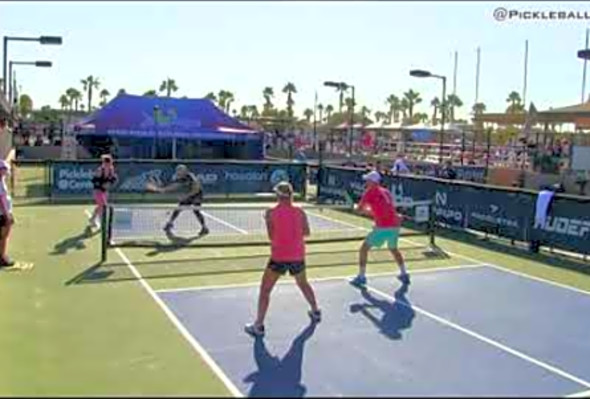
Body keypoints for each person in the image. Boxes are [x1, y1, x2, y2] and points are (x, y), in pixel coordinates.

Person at [244, 181, 321, 337]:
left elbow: (271, 237)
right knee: (303, 283)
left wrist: (268, 221)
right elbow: (306, 233)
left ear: (278, 196)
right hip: (298, 255)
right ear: (291, 195)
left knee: (265, 290)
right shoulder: (300, 212)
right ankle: (315, 311)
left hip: (279, 256)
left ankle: (258, 325)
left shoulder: (271, 213)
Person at [350, 170, 410, 287]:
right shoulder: (386, 192)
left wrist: (356, 207)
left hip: (383, 226)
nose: (366, 182)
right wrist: (369, 211)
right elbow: (384, 209)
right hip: (394, 224)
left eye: (367, 180)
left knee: (364, 249)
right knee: (393, 248)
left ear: (372, 181)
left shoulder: (369, 192)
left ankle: (361, 277)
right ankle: (404, 273)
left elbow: (359, 210)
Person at [151, 164, 209, 236]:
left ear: (185, 171)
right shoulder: (179, 178)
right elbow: (174, 186)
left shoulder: (191, 177)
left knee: (196, 210)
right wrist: (164, 190)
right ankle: (170, 223)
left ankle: (204, 227)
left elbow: (196, 189)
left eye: (180, 172)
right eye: (178, 172)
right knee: (178, 208)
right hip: (188, 194)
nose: (178, 173)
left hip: (197, 195)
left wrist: (186, 196)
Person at [88, 154, 118, 229]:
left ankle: (92, 219)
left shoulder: (111, 169)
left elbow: (114, 178)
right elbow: (94, 181)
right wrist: (102, 184)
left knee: (100, 206)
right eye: (106, 162)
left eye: (110, 162)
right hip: (98, 190)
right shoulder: (100, 170)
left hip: (105, 191)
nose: (108, 164)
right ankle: (103, 222)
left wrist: (109, 183)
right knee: (103, 206)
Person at [0, 160, 15, 268]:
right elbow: (0, 199)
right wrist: (7, 215)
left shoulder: (2, 180)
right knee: (4, 236)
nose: (6, 172)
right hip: (2, 213)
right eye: (4, 169)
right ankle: (2, 258)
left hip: (3, 212)